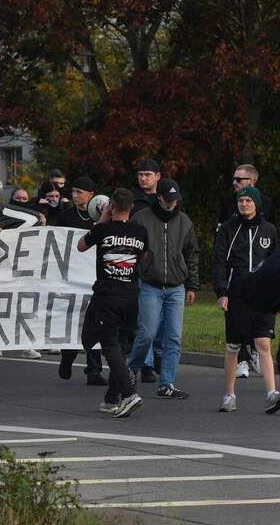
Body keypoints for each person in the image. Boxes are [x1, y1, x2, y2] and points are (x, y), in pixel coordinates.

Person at [77, 188, 148, 418]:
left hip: (107, 296)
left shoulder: (102, 229)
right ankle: (112, 398)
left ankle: (128, 393)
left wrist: (102, 220)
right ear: (132, 208)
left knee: (108, 345)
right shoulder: (140, 232)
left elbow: (81, 245)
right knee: (121, 347)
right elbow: (144, 257)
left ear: (111, 207)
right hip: (131, 296)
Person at [128, 178, 199, 398]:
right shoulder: (141, 219)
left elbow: (192, 254)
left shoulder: (184, 221)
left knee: (174, 337)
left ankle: (166, 383)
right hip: (150, 284)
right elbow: (130, 250)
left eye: (175, 199)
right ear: (158, 197)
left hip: (176, 286)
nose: (172, 203)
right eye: (168, 199)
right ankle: (132, 370)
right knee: (147, 333)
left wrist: (192, 285)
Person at [212, 186, 280, 413]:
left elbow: (275, 264)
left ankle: (272, 393)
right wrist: (222, 292)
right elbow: (219, 261)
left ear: (257, 204)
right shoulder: (227, 229)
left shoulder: (269, 230)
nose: (244, 204)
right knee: (234, 345)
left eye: (249, 201)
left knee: (263, 343)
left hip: (264, 294)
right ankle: (229, 394)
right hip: (237, 294)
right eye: (241, 201)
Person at [57, 176, 106, 386]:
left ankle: (94, 370)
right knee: (72, 319)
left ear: (91, 195)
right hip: (72, 275)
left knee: (94, 322)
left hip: (95, 275)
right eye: (73, 191)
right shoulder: (66, 215)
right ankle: (67, 356)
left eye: (79, 192)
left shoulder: (102, 216)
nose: (75, 195)